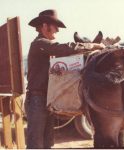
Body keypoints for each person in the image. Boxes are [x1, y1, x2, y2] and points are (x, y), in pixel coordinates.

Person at [25, 9, 103, 149]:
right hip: (37, 99)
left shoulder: (45, 46)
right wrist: (94, 46)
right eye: (55, 26)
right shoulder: (39, 44)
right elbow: (62, 48)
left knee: (47, 142)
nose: (57, 30)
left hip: (46, 98)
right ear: (44, 26)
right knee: (35, 144)